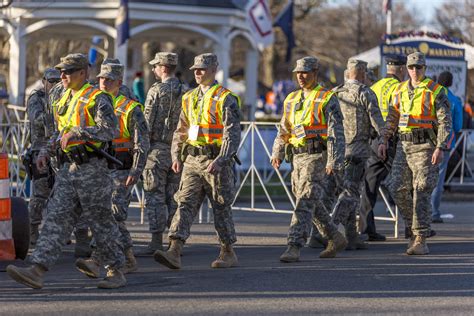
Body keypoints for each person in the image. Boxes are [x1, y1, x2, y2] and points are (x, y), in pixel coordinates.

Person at [6, 53, 126, 289]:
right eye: (61, 71)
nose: (63, 76)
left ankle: (116, 269)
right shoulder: (62, 97)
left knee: (101, 222)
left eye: (68, 71)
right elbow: (60, 132)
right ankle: (37, 270)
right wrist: (45, 151)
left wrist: (80, 132)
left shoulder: (98, 98)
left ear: (83, 72)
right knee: (56, 217)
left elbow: (110, 130)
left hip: (92, 169)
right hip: (67, 169)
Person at [153, 53, 241, 269]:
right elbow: (181, 129)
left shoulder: (225, 97)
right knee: (184, 202)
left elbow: (232, 133)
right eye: (195, 69)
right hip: (193, 159)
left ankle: (227, 251)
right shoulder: (189, 97)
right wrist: (176, 155)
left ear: (213, 69)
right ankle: (174, 249)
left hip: (215, 160)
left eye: (202, 69)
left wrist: (222, 159)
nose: (198, 73)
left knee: (220, 206)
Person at [75, 63, 149, 276]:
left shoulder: (130, 108)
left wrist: (136, 170)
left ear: (119, 83)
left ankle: (97, 260)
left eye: (108, 80)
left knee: (112, 213)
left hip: (121, 167)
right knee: (108, 215)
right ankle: (128, 258)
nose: (103, 83)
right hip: (99, 168)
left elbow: (141, 143)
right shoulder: (94, 104)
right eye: (101, 79)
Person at [271, 56, 347, 262]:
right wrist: (277, 151)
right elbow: (284, 128)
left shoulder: (327, 97)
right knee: (308, 200)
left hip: (316, 156)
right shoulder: (291, 98)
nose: (301, 77)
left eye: (305, 72)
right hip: (297, 157)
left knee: (305, 200)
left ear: (315, 73)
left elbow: (336, 132)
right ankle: (334, 236)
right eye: (298, 73)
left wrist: (333, 160)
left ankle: (294, 245)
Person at [379, 52, 452, 255]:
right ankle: (415, 227)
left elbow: (445, 121)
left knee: (421, 190)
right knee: (396, 188)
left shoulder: (435, 91)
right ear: (406, 69)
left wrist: (440, 147)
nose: (414, 71)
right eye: (411, 67)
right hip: (404, 146)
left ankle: (420, 238)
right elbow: (392, 116)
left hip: (425, 147)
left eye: (418, 67)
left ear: (425, 68)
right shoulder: (400, 89)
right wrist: (384, 139)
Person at [331, 59, 385, 250]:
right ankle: (330, 231)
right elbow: (377, 121)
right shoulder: (365, 92)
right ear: (362, 73)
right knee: (351, 192)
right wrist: (384, 139)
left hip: (337, 150)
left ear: (347, 73)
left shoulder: (335, 93)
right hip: (357, 150)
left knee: (345, 190)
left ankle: (352, 236)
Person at [136, 52, 184, 255]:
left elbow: (146, 123)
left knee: (154, 196)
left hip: (156, 150)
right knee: (175, 197)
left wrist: (139, 147)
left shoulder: (156, 90)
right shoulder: (186, 91)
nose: (153, 69)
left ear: (163, 68)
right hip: (178, 152)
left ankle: (156, 241)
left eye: (156, 66)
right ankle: (175, 242)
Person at [358, 55, 407, 242]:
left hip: (375, 141)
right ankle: (413, 229)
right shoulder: (401, 88)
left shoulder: (374, 87)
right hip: (395, 141)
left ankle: (366, 228)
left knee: (369, 186)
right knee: (406, 184)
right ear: (402, 69)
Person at [25, 68, 61, 246]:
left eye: (57, 81)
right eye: (51, 81)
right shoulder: (36, 98)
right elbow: (36, 118)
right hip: (40, 150)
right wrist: (57, 117)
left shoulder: (63, 97)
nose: (54, 84)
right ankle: (32, 230)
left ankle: (56, 232)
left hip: (58, 150)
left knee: (60, 194)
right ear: (44, 81)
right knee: (40, 194)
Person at [430, 71, 463, 223]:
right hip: (445, 144)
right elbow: (458, 126)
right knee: (438, 178)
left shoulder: (429, 95)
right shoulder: (455, 100)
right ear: (450, 83)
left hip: (426, 140)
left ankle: (417, 211)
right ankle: (433, 212)